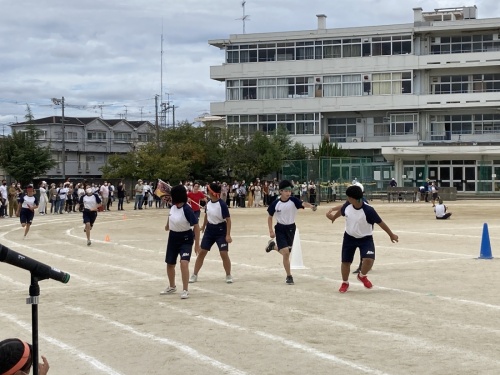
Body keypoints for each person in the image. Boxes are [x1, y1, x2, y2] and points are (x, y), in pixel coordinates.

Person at [326, 185, 398, 293]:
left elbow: (380, 222)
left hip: (366, 238)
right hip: (349, 238)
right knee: (346, 262)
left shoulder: (368, 210)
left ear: (352, 198)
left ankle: (362, 275)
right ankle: (345, 282)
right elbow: (341, 211)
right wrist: (332, 218)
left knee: (369, 260)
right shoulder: (347, 206)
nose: (347, 200)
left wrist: (391, 235)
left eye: (348, 197)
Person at [265, 180, 317, 285]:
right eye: (286, 191)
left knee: (286, 253)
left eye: (290, 191)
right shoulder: (276, 203)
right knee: (286, 253)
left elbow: (303, 203)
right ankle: (289, 276)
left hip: (291, 229)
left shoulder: (293, 200)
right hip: (280, 229)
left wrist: (311, 206)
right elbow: (270, 217)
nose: (288, 193)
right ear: (281, 191)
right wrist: (270, 230)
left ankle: (273, 246)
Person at [160, 185, 201, 299]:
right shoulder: (173, 207)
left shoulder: (187, 209)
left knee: (184, 262)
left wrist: (197, 244)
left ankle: (185, 289)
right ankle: (172, 286)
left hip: (186, 238)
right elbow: (170, 216)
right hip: (173, 237)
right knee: (170, 263)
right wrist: (168, 225)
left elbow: (196, 227)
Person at [190, 182, 233, 284]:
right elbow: (206, 215)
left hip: (221, 230)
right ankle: (194, 274)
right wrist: (203, 226)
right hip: (210, 230)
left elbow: (228, 220)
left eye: (208, 190)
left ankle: (228, 274)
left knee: (223, 253)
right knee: (202, 252)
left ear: (212, 192)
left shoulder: (222, 204)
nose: (207, 191)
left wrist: (228, 234)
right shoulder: (208, 203)